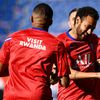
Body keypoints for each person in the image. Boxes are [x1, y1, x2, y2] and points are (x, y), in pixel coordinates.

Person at [0, 3, 70, 100]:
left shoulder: (13, 38)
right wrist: (55, 77)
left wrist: (17, 69)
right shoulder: (57, 44)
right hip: (38, 95)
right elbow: (65, 82)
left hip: (12, 95)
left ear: (31, 18)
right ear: (51, 22)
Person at [57, 6, 100, 100]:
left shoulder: (94, 39)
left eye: (92, 28)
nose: (89, 32)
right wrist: (97, 75)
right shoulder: (61, 42)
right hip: (70, 97)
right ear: (77, 21)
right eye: (87, 26)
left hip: (92, 96)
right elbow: (69, 74)